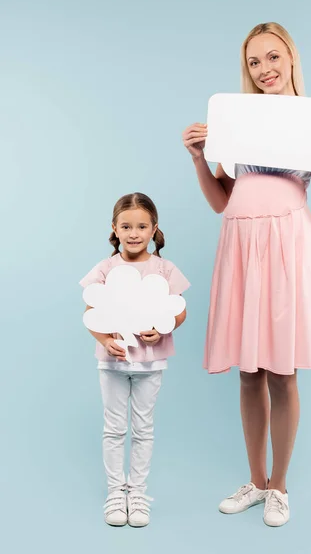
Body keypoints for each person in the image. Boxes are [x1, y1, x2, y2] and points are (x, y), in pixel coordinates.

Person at [182, 22, 311, 527]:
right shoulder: (238, 121)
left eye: (273, 57)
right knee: (249, 370)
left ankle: (279, 485)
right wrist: (198, 158)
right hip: (240, 245)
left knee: (282, 370)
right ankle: (256, 481)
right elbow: (220, 201)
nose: (265, 70)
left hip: (284, 246)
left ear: (292, 58)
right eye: (254, 62)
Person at [79, 193, 190, 527]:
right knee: (114, 428)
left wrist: (161, 330)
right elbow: (91, 313)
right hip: (112, 364)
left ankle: (138, 493)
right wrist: (105, 340)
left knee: (143, 428)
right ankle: (116, 492)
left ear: (154, 229)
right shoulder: (105, 269)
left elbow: (179, 311)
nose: (134, 233)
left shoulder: (165, 269)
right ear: (115, 228)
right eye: (126, 226)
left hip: (150, 363)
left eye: (142, 226)